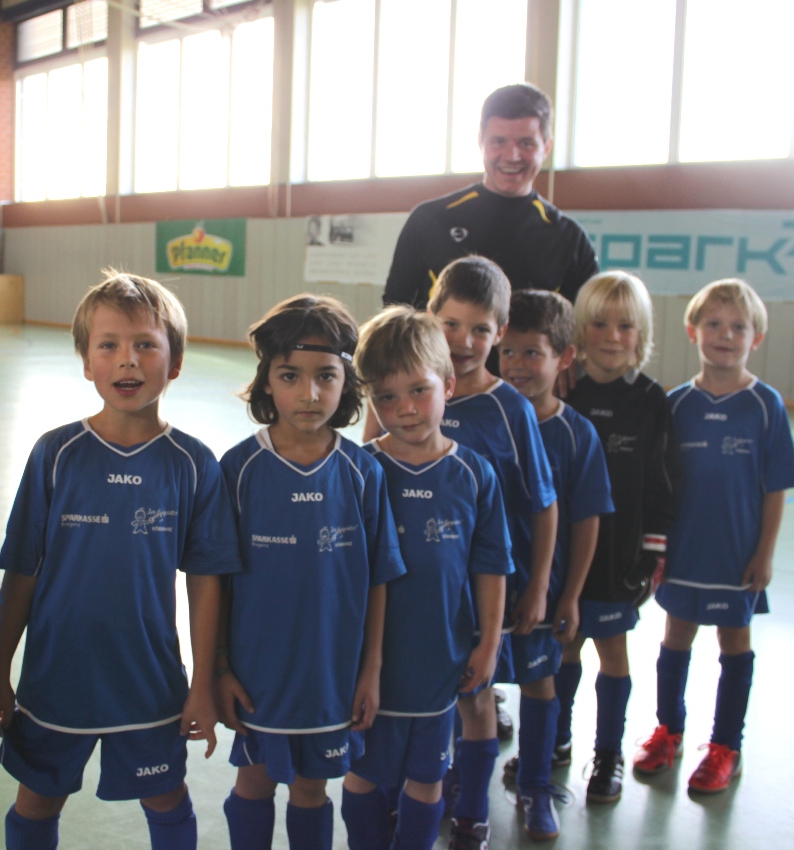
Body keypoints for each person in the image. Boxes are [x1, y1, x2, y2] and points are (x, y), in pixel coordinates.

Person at [0, 272, 240, 850]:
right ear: (86, 362)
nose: (128, 359)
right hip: (55, 679)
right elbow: (21, 572)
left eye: (146, 344)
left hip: (149, 683)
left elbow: (206, 582)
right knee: (36, 800)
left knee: (166, 798)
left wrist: (202, 682)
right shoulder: (55, 454)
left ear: (175, 363)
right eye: (109, 345)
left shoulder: (194, 463)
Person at [215, 295, 405, 850]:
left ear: (347, 383)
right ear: (266, 381)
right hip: (257, 681)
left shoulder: (363, 473)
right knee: (253, 782)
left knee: (311, 790)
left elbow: (378, 580)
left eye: (326, 376)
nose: (309, 393)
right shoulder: (238, 469)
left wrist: (371, 670)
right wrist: (219, 667)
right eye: (290, 376)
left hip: (331, 681)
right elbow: (214, 584)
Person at [342, 306, 513, 850]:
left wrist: (488, 643)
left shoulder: (474, 474)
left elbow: (491, 565)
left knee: (427, 775)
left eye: (419, 390)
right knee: (361, 774)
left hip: (440, 660)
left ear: (448, 384)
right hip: (365, 667)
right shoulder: (358, 470)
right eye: (387, 397)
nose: (406, 409)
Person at [634, 279, 794, 794]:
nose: (725, 335)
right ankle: (668, 731)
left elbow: (776, 488)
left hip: (736, 555)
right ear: (692, 331)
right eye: (714, 324)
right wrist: (655, 550)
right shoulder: (676, 404)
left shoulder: (765, 405)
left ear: (756, 338)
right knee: (675, 636)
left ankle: (726, 745)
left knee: (734, 642)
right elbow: (659, 486)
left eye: (738, 327)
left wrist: (764, 554)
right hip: (683, 552)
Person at [420, 256, 558, 849]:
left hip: (493, 588)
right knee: (439, 696)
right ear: (430, 317)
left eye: (480, 329)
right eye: (450, 324)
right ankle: (439, 789)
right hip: (427, 588)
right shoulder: (408, 395)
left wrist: (539, 585)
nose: (463, 341)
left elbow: (544, 505)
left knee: (485, 693)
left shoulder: (511, 409)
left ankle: (488, 807)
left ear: (500, 333)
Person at [496, 290, 614, 839]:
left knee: (540, 685)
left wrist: (567, 595)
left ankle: (535, 787)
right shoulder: (481, 418)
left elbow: (587, 519)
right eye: (509, 351)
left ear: (564, 358)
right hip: (478, 593)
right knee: (467, 690)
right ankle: (455, 782)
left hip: (539, 595)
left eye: (532, 353)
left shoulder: (575, 433)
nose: (517, 365)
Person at [563, 271, 682, 804]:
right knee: (563, 645)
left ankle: (607, 754)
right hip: (567, 554)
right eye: (599, 324)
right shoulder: (564, 391)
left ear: (641, 334)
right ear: (579, 331)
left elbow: (661, 482)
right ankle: (555, 739)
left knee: (612, 649)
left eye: (626, 326)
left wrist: (652, 553)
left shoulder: (651, 400)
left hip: (618, 556)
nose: (612, 336)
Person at [383, 83, 598, 311]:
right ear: (481, 142)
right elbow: (396, 312)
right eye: (498, 141)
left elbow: (585, 324)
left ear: (546, 147)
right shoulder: (429, 219)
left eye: (526, 143)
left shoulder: (569, 240)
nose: (512, 156)